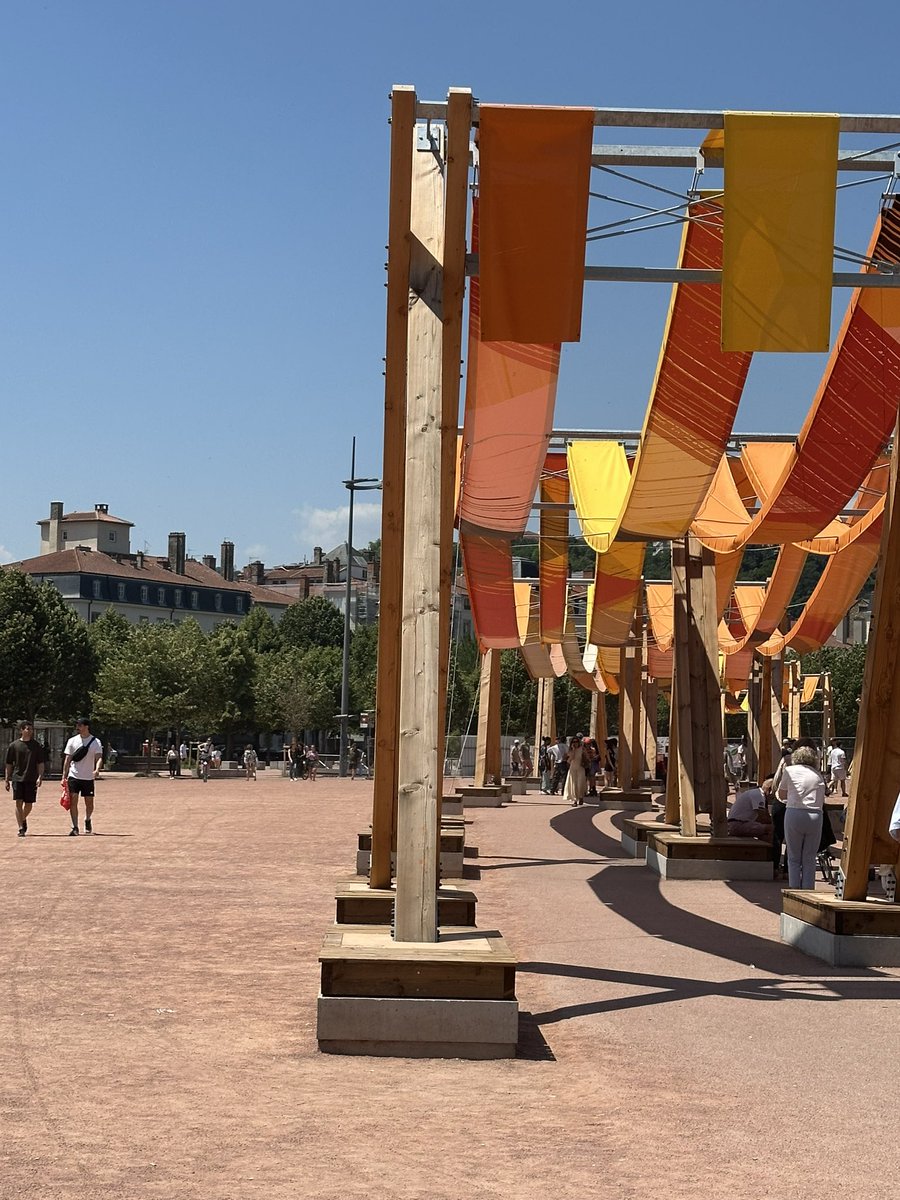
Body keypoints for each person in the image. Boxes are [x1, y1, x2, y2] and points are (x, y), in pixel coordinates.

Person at [778, 745, 827, 889]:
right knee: (810, 857)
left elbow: (781, 794)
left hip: (794, 812)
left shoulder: (789, 770)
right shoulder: (818, 775)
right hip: (816, 814)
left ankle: (794, 889)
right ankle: (808, 890)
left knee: (793, 857)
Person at [62, 717, 103, 835]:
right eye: (77, 725)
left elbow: (99, 757)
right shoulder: (72, 741)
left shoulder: (96, 742)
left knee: (89, 802)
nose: (78, 728)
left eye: (80, 725)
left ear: (86, 726)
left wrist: (97, 769)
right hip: (74, 776)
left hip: (88, 777)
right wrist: (64, 775)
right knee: (73, 800)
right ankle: (75, 826)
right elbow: (68, 759)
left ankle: (87, 819)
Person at [5, 720, 45, 837]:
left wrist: (40, 777)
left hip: (31, 778)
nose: (30, 731)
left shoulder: (36, 746)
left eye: (31, 729)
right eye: (27, 729)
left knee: (29, 804)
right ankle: (21, 828)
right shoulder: (14, 745)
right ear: (21, 730)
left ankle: (22, 818)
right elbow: (9, 763)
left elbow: (40, 763)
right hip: (17, 777)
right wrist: (7, 779)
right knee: (18, 802)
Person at [727, 775, 774, 842]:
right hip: (737, 825)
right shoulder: (758, 795)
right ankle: (771, 851)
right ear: (769, 790)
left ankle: (763, 850)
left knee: (764, 830)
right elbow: (763, 817)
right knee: (771, 829)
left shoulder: (755, 793)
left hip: (736, 824)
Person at [563, 736, 588, 807]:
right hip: (573, 768)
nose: (575, 743)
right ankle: (575, 800)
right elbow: (569, 760)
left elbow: (586, 757)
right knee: (573, 784)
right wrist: (573, 750)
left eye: (576, 741)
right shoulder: (570, 750)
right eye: (573, 742)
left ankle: (581, 797)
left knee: (580, 783)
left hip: (580, 768)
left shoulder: (582, 749)